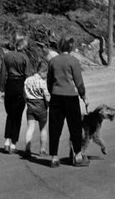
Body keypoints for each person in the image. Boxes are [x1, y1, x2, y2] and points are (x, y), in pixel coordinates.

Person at [47, 34, 89, 168]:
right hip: (71, 97)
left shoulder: (52, 61)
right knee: (75, 126)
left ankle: (54, 157)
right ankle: (77, 156)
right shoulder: (73, 61)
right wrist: (83, 96)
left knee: (55, 127)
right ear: (71, 47)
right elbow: (79, 82)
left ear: (59, 46)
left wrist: (52, 92)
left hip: (56, 96)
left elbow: (49, 82)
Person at [0, 32, 30, 154]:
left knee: (10, 114)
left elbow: (3, 74)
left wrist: (2, 89)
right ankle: (13, 143)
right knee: (18, 115)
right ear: (22, 44)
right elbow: (28, 75)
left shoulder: (6, 56)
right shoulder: (25, 58)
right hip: (20, 84)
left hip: (9, 85)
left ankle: (7, 140)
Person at [23, 60, 51, 158]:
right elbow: (47, 97)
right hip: (41, 106)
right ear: (42, 71)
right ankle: (42, 150)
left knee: (30, 128)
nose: (47, 75)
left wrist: (27, 101)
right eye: (46, 73)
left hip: (30, 105)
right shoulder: (42, 82)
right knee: (43, 128)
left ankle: (27, 149)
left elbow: (24, 94)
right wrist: (49, 104)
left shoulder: (28, 80)